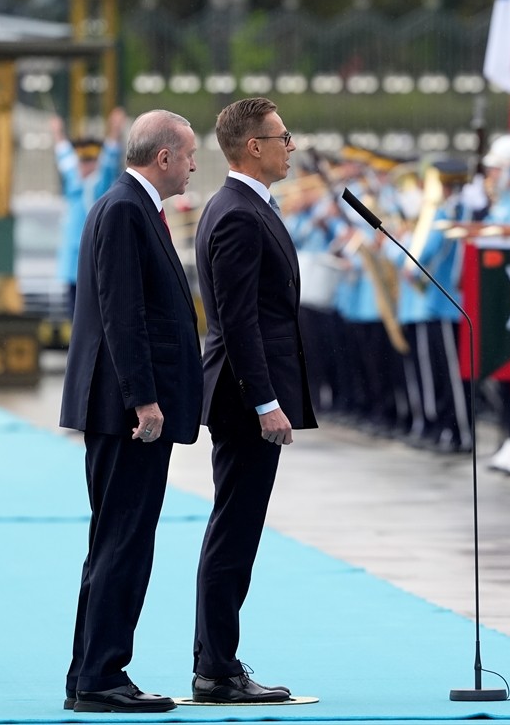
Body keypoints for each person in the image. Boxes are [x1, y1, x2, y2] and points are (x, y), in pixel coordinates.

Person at [59, 110, 202, 714]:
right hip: (127, 411)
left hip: (126, 408)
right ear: (164, 157)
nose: (195, 165)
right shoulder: (124, 209)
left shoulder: (132, 205)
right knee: (123, 541)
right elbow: (123, 314)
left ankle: (91, 671)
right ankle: (101, 677)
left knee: (118, 539)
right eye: (190, 154)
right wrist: (144, 397)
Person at [193, 97, 317, 703]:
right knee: (234, 531)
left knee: (237, 527)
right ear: (254, 148)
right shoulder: (239, 212)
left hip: (245, 392)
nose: (290, 146)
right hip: (243, 397)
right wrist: (265, 399)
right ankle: (217, 668)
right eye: (282, 136)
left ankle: (218, 661)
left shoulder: (242, 204)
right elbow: (239, 320)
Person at [52, 107, 127, 319]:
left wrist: (115, 130)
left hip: (96, 261)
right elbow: (65, 157)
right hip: (74, 264)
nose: (85, 166)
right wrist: (57, 132)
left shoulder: (100, 185)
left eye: (90, 161)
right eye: (83, 161)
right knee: (76, 316)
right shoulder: (75, 181)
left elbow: (110, 159)